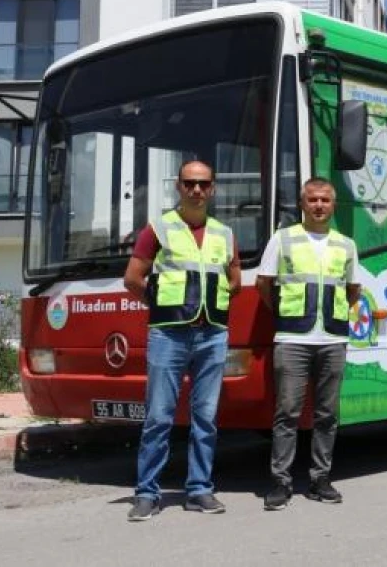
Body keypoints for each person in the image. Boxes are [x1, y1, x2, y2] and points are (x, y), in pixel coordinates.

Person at [123, 159, 241, 522]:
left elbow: (234, 280)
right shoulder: (158, 227)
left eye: (204, 184)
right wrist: (162, 307)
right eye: (190, 183)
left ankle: (200, 490)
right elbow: (132, 278)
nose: (197, 190)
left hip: (212, 334)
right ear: (178, 186)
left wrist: (214, 305)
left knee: (205, 417)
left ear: (213, 188)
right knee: (159, 417)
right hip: (168, 334)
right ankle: (146, 494)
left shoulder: (224, 233)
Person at [257, 177, 360, 511]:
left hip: (332, 339)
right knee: (286, 413)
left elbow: (353, 289)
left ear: (333, 205)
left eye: (325, 200)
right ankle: (280, 483)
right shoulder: (283, 239)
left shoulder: (346, 245)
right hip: (293, 339)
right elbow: (264, 285)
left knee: (327, 414)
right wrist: (287, 314)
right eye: (312, 200)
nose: (318, 206)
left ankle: (320, 479)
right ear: (302, 204)